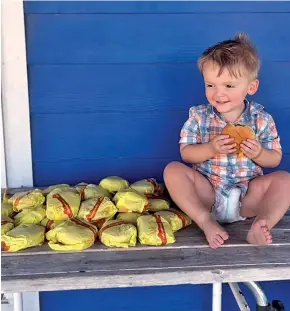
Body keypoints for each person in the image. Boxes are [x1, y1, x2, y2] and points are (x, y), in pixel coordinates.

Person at [163, 33, 290, 249]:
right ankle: (205, 221)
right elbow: (186, 153)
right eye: (210, 85)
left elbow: (275, 159)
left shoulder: (262, 119)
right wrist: (211, 148)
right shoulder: (199, 116)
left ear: (251, 87)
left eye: (229, 86)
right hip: (208, 193)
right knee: (173, 171)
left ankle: (261, 225)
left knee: (285, 180)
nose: (218, 93)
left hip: (247, 196)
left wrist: (259, 153)